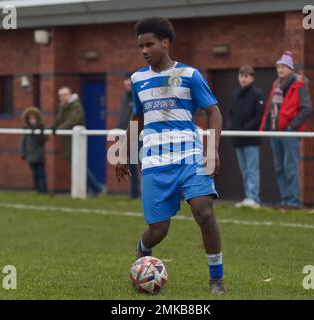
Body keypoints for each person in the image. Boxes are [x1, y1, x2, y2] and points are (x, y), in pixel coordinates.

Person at [115, 17, 225, 294]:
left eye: (149, 44)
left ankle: (216, 279)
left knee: (204, 212)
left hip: (190, 156)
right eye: (140, 46)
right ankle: (143, 251)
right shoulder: (138, 79)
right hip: (154, 162)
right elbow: (137, 118)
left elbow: (213, 112)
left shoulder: (190, 75)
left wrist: (212, 149)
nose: (144, 50)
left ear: (166, 43)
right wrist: (126, 153)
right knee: (158, 229)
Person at [259, 51, 313, 210]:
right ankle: (286, 200)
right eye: (278, 66)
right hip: (275, 132)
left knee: (290, 167)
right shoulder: (276, 84)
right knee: (280, 168)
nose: (280, 69)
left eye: (283, 66)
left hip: (289, 133)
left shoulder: (299, 84)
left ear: (290, 68)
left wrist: (291, 127)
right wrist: (267, 126)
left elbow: (307, 109)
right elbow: (271, 107)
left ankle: (295, 202)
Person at [52, 86, 103, 196]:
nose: (63, 97)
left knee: (79, 166)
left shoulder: (76, 106)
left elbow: (72, 120)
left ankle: (96, 187)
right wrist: (50, 128)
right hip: (68, 141)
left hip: (77, 141)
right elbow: (57, 121)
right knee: (76, 166)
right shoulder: (62, 107)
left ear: (70, 94)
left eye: (65, 94)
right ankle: (92, 188)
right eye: (60, 95)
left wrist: (59, 129)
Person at [229, 65, 264, 208]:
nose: (243, 79)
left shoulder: (258, 94)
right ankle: (248, 196)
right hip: (238, 139)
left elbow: (258, 116)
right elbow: (231, 114)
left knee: (252, 168)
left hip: (251, 139)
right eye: (241, 76)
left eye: (246, 76)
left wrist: (245, 129)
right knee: (244, 169)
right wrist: (232, 128)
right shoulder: (235, 95)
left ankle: (253, 198)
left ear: (252, 78)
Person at [118, 73, 140, 199]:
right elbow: (123, 118)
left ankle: (147, 193)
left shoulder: (138, 97)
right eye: (125, 81)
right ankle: (134, 193)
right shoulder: (124, 98)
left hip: (140, 135)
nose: (127, 84)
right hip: (126, 136)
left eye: (129, 82)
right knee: (130, 165)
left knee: (144, 164)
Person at [20, 106, 48, 194]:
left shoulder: (41, 128)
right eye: (30, 119)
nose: (32, 121)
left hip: (39, 155)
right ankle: (37, 189)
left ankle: (44, 190)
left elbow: (44, 139)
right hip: (30, 155)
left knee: (41, 173)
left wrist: (37, 132)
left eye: (34, 119)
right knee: (34, 173)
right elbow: (22, 142)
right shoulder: (26, 129)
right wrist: (23, 153)